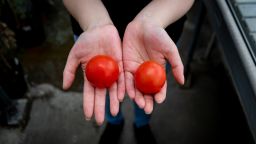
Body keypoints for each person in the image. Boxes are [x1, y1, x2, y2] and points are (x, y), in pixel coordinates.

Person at [62, 0, 194, 143]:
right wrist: (94, 22)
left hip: (155, 41)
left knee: (146, 95)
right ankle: (114, 122)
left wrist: (152, 20)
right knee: (107, 93)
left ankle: (142, 124)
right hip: (92, 34)